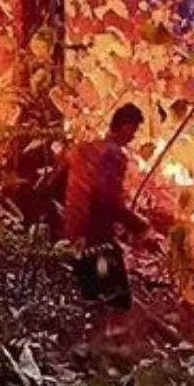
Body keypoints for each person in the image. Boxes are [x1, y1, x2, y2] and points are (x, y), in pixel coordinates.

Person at [63, 104, 154, 322]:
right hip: (96, 233)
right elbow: (107, 200)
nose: (133, 137)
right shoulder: (113, 154)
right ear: (124, 126)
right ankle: (107, 345)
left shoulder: (85, 148)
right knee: (114, 302)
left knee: (93, 297)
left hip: (74, 228)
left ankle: (94, 341)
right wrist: (138, 224)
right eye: (133, 130)